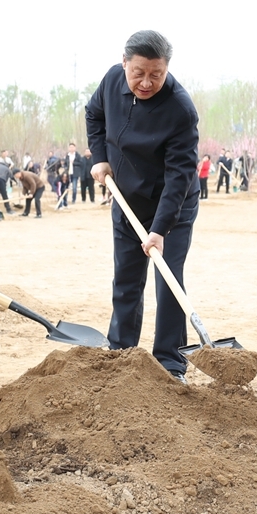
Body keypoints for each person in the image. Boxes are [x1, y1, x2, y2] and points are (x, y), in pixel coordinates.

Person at [86, 29, 199, 383]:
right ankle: (121, 353)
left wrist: (160, 229)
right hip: (126, 199)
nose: (146, 82)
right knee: (126, 280)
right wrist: (101, 158)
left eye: (156, 74)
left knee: (168, 281)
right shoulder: (110, 81)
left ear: (167, 69)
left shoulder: (180, 109)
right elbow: (94, 115)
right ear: (124, 64)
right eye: (139, 73)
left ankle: (170, 363)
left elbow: (180, 175)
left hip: (172, 208)